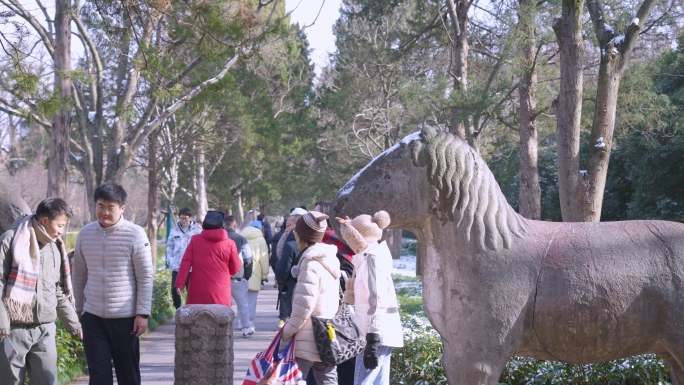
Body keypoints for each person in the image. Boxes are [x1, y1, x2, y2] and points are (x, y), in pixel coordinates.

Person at [73, 182, 154, 385]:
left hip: (126, 318)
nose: (105, 212)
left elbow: (145, 276)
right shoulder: (85, 234)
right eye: (100, 206)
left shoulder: (135, 234)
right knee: (98, 375)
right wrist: (78, 308)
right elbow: (79, 274)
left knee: (128, 375)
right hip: (93, 318)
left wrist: (142, 313)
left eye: (111, 207)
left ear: (122, 208)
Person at [0, 198, 81, 384]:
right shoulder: (10, 240)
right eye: (59, 225)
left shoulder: (55, 247)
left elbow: (57, 291)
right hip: (12, 330)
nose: (61, 231)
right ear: (45, 220)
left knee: (47, 381)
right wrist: (2, 324)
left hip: (45, 330)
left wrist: (74, 326)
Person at [336, 211, 403, 385]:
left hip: (373, 334)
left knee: (362, 381)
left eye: (350, 237)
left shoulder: (371, 261)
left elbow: (376, 300)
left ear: (356, 237)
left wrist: (372, 338)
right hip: (379, 333)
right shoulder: (373, 257)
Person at [281, 211, 340, 385]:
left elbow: (304, 306)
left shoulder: (311, 263)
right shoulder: (329, 258)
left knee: (292, 379)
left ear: (301, 236)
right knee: (328, 379)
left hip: (309, 335)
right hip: (327, 333)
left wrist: (288, 330)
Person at [174, 210, 241, 307]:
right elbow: (235, 268)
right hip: (221, 292)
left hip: (197, 291)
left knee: (197, 318)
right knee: (221, 319)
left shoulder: (195, 240)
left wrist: (180, 284)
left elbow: (186, 263)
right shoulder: (230, 243)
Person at [223, 215, 254, 337]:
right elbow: (248, 258)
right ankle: (246, 327)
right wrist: (247, 275)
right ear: (235, 225)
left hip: (221, 278)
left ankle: (224, 329)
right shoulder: (241, 239)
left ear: (224, 225)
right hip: (237, 276)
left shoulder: (220, 239)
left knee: (224, 305)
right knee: (243, 304)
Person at [166, 207, 202, 309]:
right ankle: (178, 310)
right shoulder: (174, 231)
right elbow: (169, 246)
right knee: (175, 289)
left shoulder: (198, 231)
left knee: (192, 290)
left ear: (190, 218)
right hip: (178, 266)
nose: (184, 221)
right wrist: (170, 260)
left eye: (186, 218)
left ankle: (193, 311)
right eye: (181, 218)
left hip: (192, 268)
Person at [274, 214, 302, 328]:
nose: (286, 229)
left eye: (288, 225)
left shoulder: (291, 245)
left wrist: (280, 278)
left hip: (293, 287)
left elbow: (282, 269)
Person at [242, 220, 269, 330]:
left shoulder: (241, 236)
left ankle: (240, 321)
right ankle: (249, 320)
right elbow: (264, 258)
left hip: (241, 271)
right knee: (252, 298)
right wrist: (264, 274)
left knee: (241, 299)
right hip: (255, 270)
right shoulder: (261, 239)